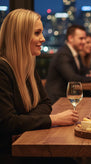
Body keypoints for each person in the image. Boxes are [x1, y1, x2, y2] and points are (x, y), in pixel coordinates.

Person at [0, 9, 79, 163]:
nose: (43, 39)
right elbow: (8, 123)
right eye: (37, 33)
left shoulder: (27, 67)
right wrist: (53, 119)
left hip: (23, 141)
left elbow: (45, 103)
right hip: (10, 152)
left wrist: (22, 124)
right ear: (20, 36)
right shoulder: (2, 69)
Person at [45, 24, 91, 103]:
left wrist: (89, 75)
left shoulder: (75, 53)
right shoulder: (63, 54)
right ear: (70, 38)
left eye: (84, 38)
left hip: (69, 97)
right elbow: (73, 79)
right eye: (81, 38)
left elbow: (82, 73)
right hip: (58, 100)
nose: (83, 42)